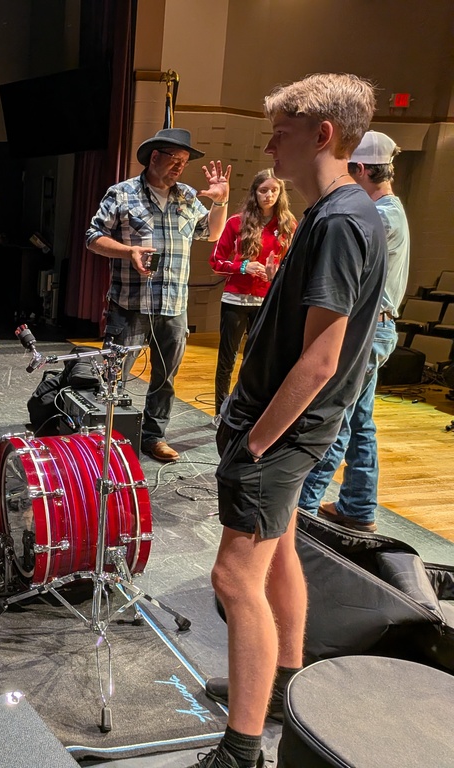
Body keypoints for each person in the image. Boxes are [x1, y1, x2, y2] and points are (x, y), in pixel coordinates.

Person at [198, 73, 385, 768]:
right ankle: (281, 686)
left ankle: (241, 750)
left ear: (323, 135)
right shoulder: (342, 212)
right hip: (294, 431)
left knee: (233, 579)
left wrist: (255, 443)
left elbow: (320, 360)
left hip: (283, 433)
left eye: (281, 133)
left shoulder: (338, 221)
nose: (270, 146)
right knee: (277, 553)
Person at [86, 128, 231, 462]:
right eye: (174, 159)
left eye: (184, 161)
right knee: (114, 377)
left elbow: (211, 233)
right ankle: (105, 439)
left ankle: (154, 436)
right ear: (154, 157)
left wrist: (220, 202)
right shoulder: (122, 193)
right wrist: (128, 252)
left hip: (174, 305)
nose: (180, 167)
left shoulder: (187, 196)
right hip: (129, 305)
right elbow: (93, 237)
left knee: (165, 378)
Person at [298, 131, 409, 532]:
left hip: (367, 333)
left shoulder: (379, 216)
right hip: (378, 331)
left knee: (334, 421)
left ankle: (302, 512)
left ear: (361, 169)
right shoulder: (391, 210)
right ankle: (358, 506)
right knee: (360, 420)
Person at [210, 169, 297, 414]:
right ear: (254, 193)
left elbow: (293, 265)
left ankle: (249, 410)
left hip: (267, 300)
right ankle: (220, 412)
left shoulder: (289, 225)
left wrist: (277, 272)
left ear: (281, 193)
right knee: (227, 359)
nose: (269, 195)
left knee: (259, 359)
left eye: (274, 190)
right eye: (263, 190)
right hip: (235, 299)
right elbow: (216, 261)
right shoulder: (236, 222)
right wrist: (244, 266)